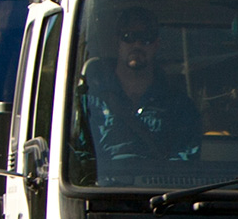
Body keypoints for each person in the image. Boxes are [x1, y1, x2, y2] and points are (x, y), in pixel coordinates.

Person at [76, 9, 204, 161]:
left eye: (146, 38)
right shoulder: (90, 101)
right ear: (118, 42)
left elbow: (186, 159)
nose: (137, 44)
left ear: (156, 44)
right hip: (102, 183)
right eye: (129, 37)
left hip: (162, 184)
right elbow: (77, 156)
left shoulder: (179, 106)